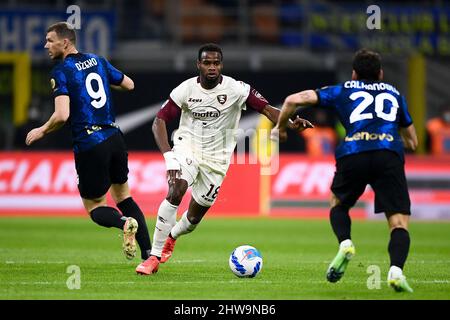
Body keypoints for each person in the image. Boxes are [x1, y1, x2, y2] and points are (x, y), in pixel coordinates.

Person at [136, 43, 313, 275]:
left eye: (216, 63)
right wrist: (170, 157)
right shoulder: (185, 90)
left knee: (192, 219)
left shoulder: (237, 90)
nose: (212, 67)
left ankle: (172, 236)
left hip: (217, 161)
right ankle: (154, 256)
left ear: (222, 64)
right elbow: (159, 121)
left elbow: (267, 109)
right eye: (207, 63)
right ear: (198, 64)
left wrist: (290, 123)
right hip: (186, 149)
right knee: (175, 190)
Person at [272, 49, 418, 293]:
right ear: (380, 74)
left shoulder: (343, 89)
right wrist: (384, 137)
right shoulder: (395, 94)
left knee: (338, 204)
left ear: (353, 73)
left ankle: (346, 243)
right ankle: (395, 271)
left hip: (354, 153)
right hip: (387, 155)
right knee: (399, 222)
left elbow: (291, 100)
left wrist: (282, 129)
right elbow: (412, 142)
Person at [25, 22, 152, 263]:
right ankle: (148, 255)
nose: (46, 45)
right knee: (124, 197)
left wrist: (42, 130)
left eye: (50, 40)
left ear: (65, 42)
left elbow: (62, 115)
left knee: (95, 207)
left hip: (90, 142)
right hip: (115, 137)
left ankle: (124, 223)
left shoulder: (61, 71)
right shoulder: (98, 60)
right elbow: (129, 84)